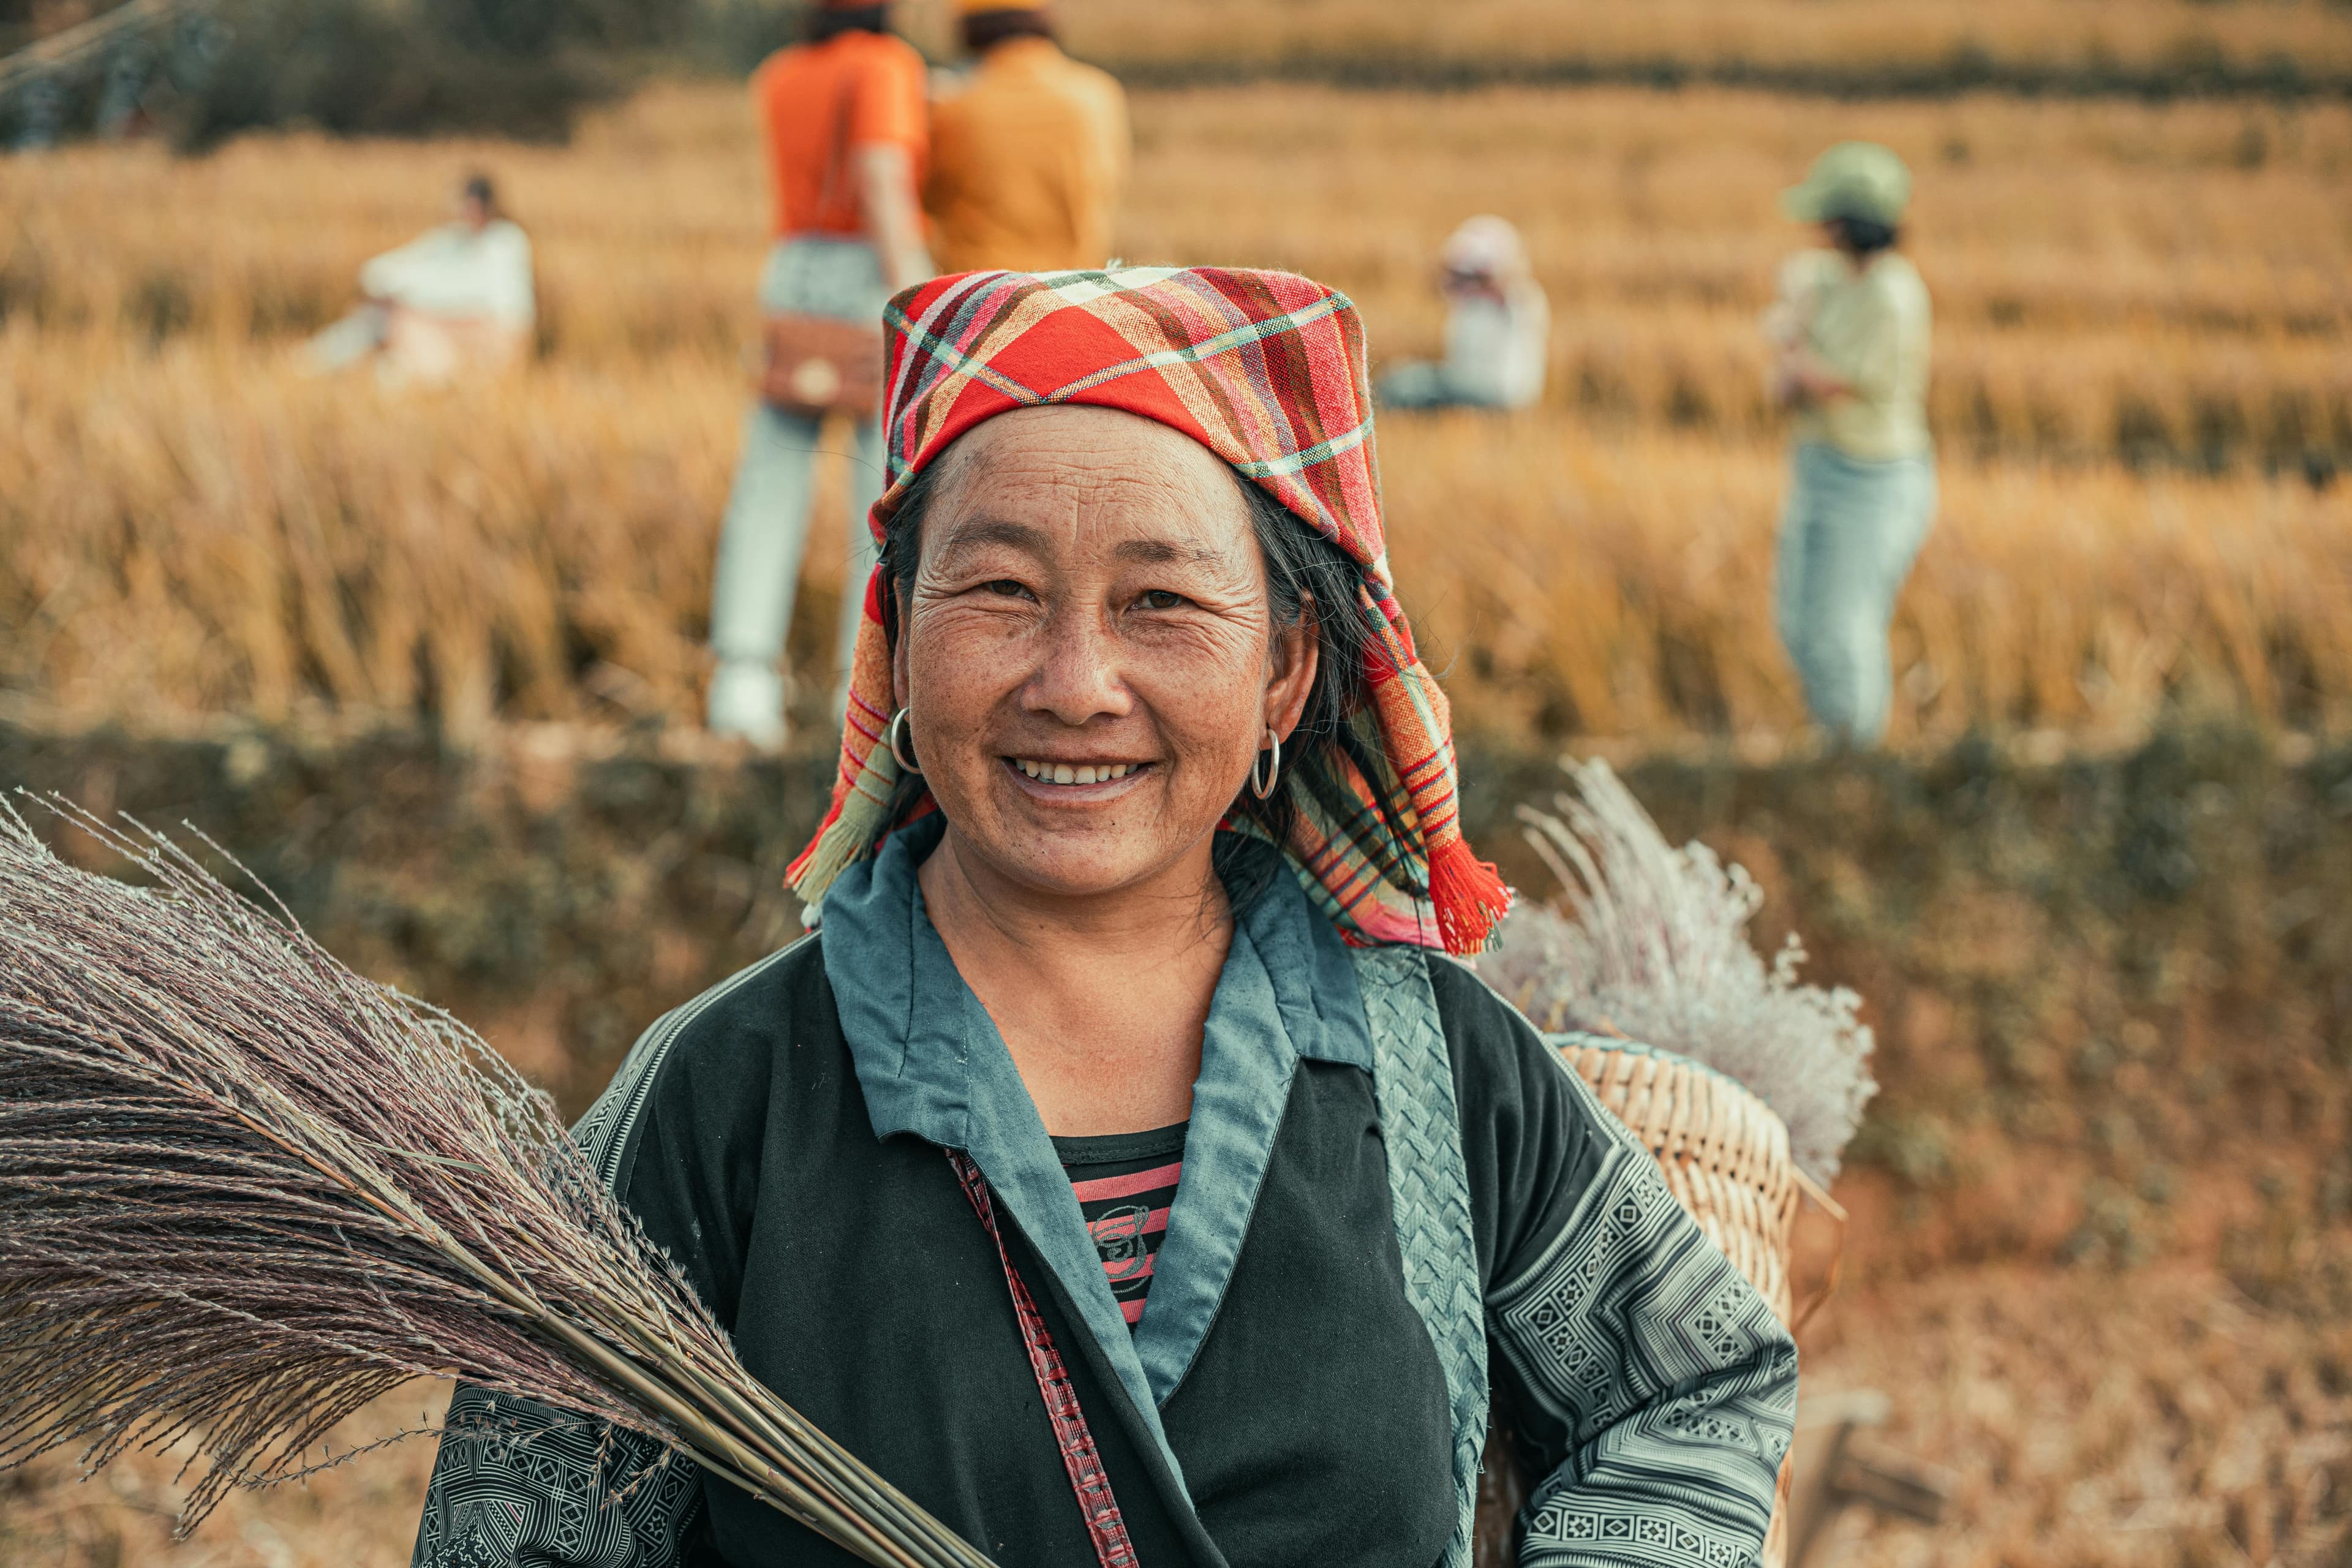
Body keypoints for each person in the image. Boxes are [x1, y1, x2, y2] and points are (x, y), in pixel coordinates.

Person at [411, 266, 1798, 1568]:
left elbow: (1690, 1378)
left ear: (1283, 668)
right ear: (896, 638)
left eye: (1162, 601)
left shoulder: (1427, 1060)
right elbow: (513, 1528)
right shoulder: (722, 1096)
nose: (1075, 682)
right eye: (1001, 589)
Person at [706, 0, 933, 750]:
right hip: (861, 276)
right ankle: (857, 687)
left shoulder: (782, 74)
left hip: (792, 269)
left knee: (768, 486)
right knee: (877, 489)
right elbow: (880, 180)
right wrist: (921, 304)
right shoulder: (883, 65)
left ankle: (742, 681)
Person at [1765, 140, 1936, 747]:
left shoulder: (1894, 295)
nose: (1818, 230)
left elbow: (1823, 380)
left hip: (1873, 481)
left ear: (1852, 223)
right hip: (1818, 465)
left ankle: (1855, 756)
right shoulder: (1830, 278)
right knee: (1795, 621)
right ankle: (1829, 735)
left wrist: (1791, 349)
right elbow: (1791, 333)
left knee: (1844, 626)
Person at [923, 0, 1129, 274]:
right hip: (1078, 286)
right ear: (1045, 16)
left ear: (966, 29)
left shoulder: (953, 109)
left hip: (981, 293)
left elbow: (926, 199)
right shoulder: (1098, 94)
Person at [304, 173, 533, 386]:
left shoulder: (505, 244)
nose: (467, 212)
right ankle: (313, 364)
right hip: (438, 333)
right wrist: (386, 292)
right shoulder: (454, 239)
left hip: (471, 343)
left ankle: (312, 367)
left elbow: (502, 318)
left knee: (394, 337)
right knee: (380, 326)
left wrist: (410, 308)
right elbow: (398, 268)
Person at [1376, 215, 1550, 412]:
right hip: (1480, 388)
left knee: (1407, 385)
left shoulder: (1518, 300)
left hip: (1497, 393)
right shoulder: (1476, 301)